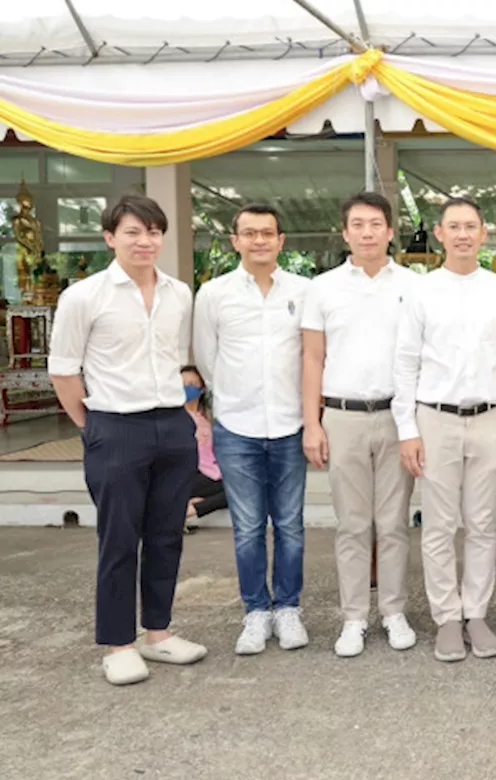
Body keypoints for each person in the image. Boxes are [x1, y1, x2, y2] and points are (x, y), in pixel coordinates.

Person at [48, 194, 207, 686]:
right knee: (119, 539)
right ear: (110, 237)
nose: (146, 241)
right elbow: (63, 370)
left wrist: (186, 415)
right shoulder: (84, 296)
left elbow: (177, 359)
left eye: (154, 232)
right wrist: (90, 427)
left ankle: (158, 633)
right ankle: (118, 643)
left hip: (171, 424)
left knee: (165, 534)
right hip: (115, 426)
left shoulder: (179, 293)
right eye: (134, 232)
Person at [394, 196, 496, 663]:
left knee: (483, 524)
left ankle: (477, 613)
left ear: (484, 234)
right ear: (441, 233)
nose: (464, 234)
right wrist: (407, 428)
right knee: (439, 524)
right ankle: (447, 617)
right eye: (455, 226)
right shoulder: (421, 290)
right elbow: (406, 362)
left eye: (472, 226)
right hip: (435, 419)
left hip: (490, 417)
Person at [302, 192, 417, 658]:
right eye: (357, 224)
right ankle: (353, 618)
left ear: (391, 231)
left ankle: (393, 611)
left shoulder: (414, 285)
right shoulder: (323, 287)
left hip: (397, 415)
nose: (367, 232)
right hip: (343, 416)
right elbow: (312, 358)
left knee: (392, 523)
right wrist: (313, 423)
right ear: (345, 232)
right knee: (352, 524)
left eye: (376, 224)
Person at [193, 203, 310, 656]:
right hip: (237, 427)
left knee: (290, 525)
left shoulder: (303, 291)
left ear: (282, 241)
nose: (259, 240)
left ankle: (289, 609)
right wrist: (233, 401)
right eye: (250, 233)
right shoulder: (215, 294)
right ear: (235, 241)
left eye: (268, 233)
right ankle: (256, 612)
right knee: (246, 527)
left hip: (290, 425)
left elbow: (311, 355)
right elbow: (207, 358)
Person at [181, 366, 227, 527]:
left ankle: (192, 508)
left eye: (192, 384)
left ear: (201, 389)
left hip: (211, 473)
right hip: (188, 475)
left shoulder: (208, 419)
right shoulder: (174, 419)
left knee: (243, 487)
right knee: (238, 490)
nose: (186, 388)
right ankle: (193, 508)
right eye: (182, 383)